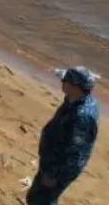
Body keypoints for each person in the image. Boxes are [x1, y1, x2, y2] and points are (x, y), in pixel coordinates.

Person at [27, 66, 100, 204]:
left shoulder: (82, 116)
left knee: (42, 200)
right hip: (51, 161)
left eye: (65, 80)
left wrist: (53, 174)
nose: (62, 82)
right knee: (35, 197)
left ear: (76, 87)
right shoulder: (73, 99)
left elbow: (75, 153)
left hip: (58, 169)